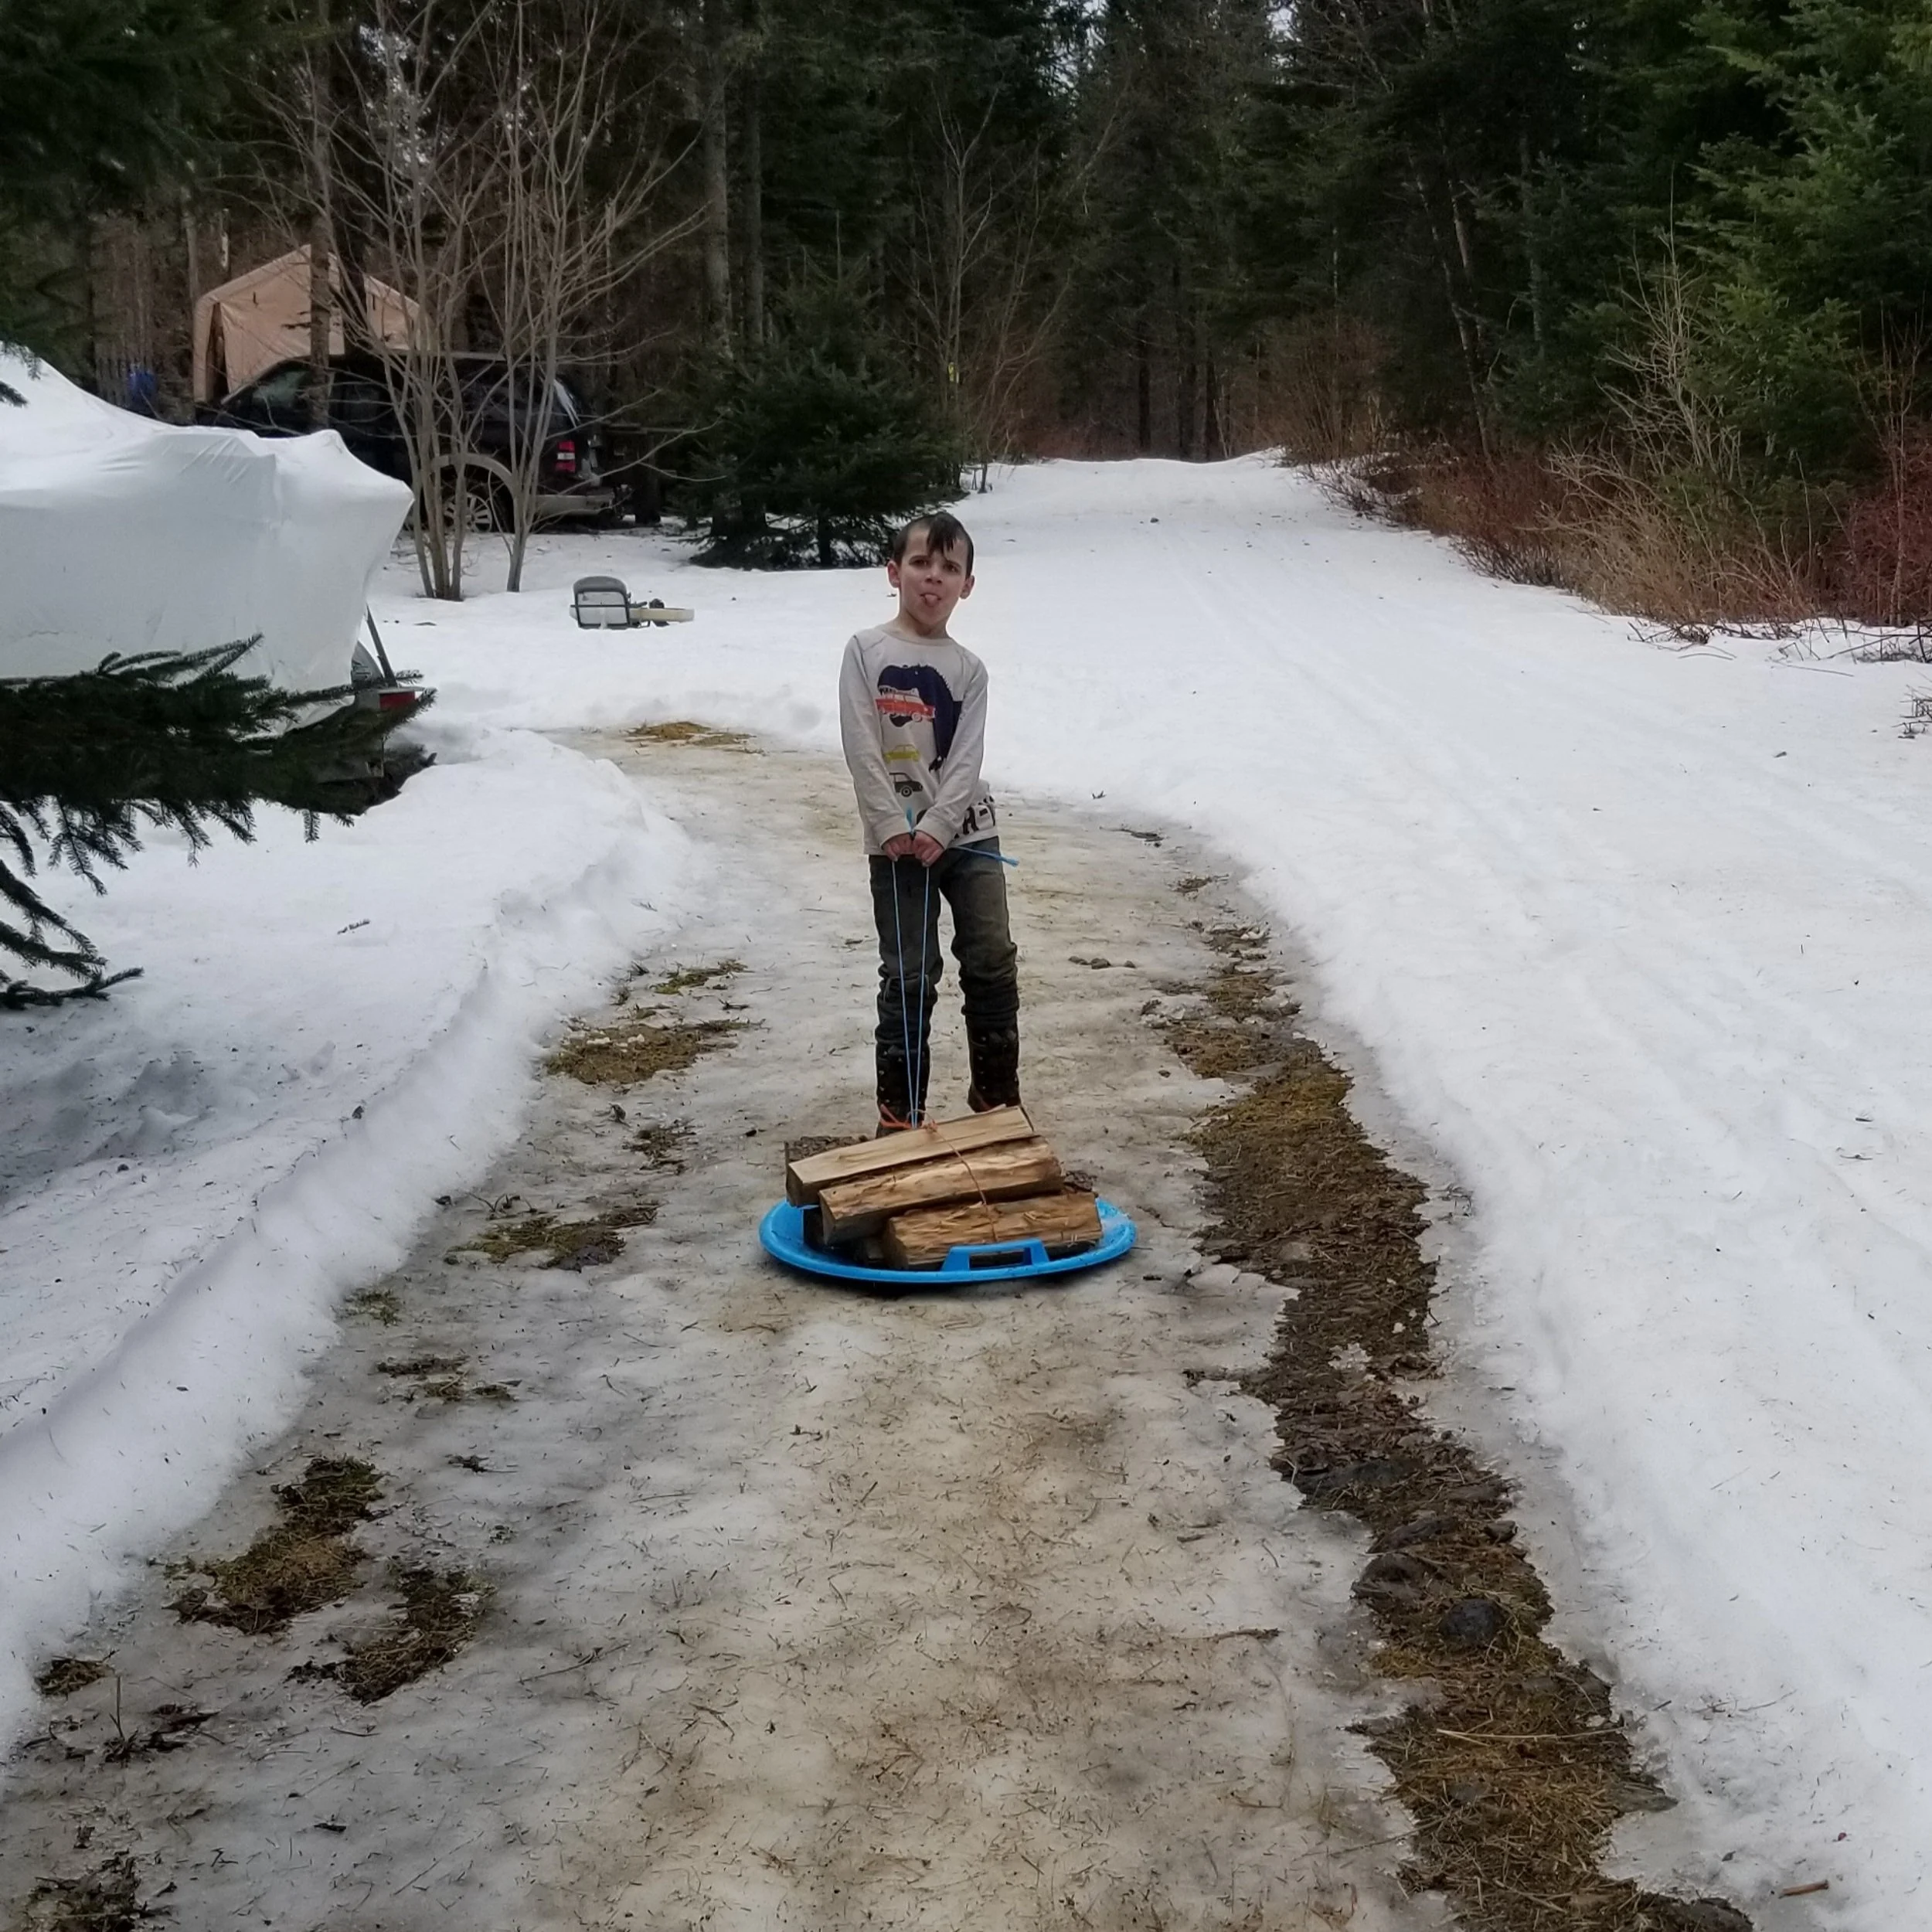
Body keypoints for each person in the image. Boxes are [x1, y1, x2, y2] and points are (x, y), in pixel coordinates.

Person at [838, 510, 1020, 1131]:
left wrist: (941, 826)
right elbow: (861, 745)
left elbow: (967, 758)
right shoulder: (866, 651)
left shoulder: (970, 670)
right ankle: (901, 1116)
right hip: (895, 845)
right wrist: (891, 822)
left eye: (950, 568)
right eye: (920, 563)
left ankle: (996, 1100)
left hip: (970, 835)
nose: (933, 578)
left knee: (991, 958)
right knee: (911, 973)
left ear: (967, 584)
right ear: (894, 572)